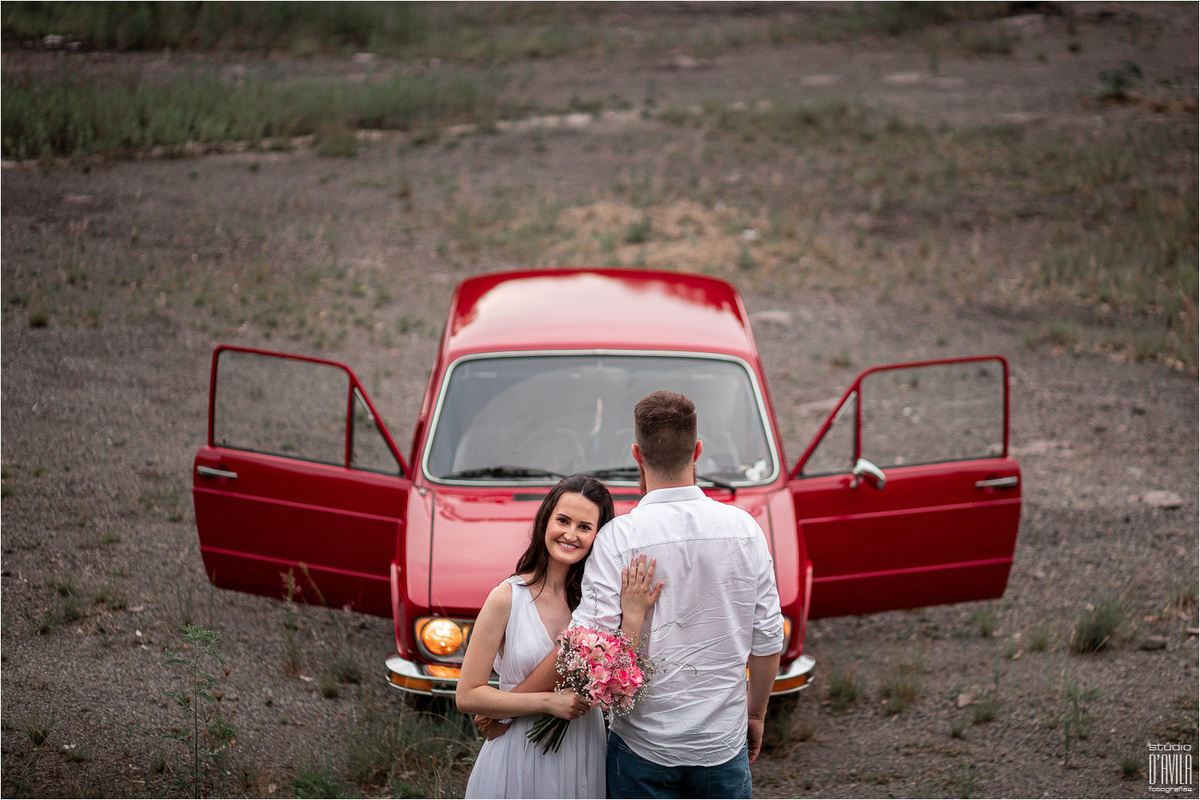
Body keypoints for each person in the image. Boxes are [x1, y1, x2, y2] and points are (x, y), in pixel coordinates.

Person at [511, 392, 782, 797]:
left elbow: (586, 645)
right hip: (722, 745)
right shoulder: (746, 531)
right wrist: (755, 714)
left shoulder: (619, 539)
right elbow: (767, 640)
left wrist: (511, 702)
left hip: (643, 749)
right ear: (698, 451)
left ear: (636, 454)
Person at [456, 474, 662, 800]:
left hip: (583, 749)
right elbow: (467, 696)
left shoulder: (595, 605)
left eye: (584, 527)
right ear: (545, 521)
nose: (570, 534)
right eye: (563, 520)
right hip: (520, 750)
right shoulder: (506, 598)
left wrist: (633, 615)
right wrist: (548, 702)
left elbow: (621, 675)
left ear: (599, 535)